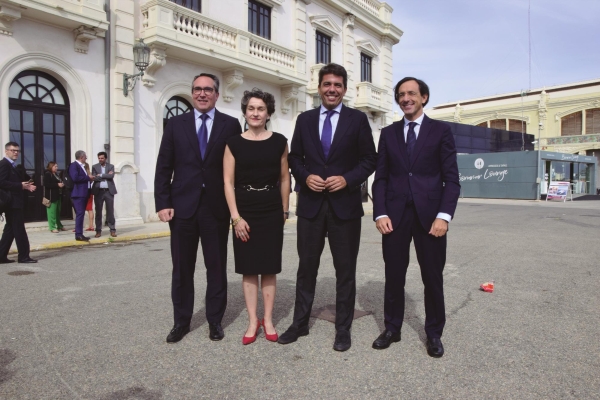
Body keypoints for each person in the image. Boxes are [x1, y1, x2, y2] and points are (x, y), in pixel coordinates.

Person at [279, 63, 377, 352]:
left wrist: (347, 179)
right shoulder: (305, 119)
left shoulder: (357, 120)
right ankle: (300, 324)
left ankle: (343, 329)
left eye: (337, 85)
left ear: (344, 89)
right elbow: (294, 158)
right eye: (327, 84)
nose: (332, 89)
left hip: (344, 208)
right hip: (310, 207)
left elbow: (369, 160)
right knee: (306, 268)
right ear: (319, 87)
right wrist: (305, 175)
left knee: (345, 270)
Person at [371, 77, 460, 358]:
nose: (405, 98)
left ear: (424, 97)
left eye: (411, 93)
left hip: (430, 218)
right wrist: (380, 212)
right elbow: (381, 177)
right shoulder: (388, 133)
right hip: (394, 217)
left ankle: (434, 333)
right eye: (401, 94)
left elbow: (452, 179)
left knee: (432, 277)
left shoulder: (441, 131)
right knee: (393, 275)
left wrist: (444, 216)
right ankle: (392, 329)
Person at [155, 73, 242, 344]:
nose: (202, 94)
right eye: (197, 90)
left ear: (217, 94)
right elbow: (163, 166)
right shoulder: (175, 124)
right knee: (182, 269)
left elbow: (237, 168)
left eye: (207, 90)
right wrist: (163, 202)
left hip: (216, 208)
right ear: (192, 93)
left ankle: (215, 320)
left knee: (216, 267)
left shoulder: (230, 125)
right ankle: (181, 321)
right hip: (181, 208)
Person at [223, 88, 290, 345]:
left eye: (261, 109)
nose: (255, 113)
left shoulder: (280, 141)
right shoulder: (233, 143)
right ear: (244, 111)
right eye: (251, 108)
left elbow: (285, 178)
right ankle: (253, 321)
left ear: (268, 112)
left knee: (270, 267)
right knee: (249, 268)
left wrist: (284, 210)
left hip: (271, 208)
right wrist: (236, 218)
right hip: (244, 209)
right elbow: (227, 182)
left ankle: (269, 319)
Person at [0, 142, 37, 263]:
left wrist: (25, 186)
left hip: (15, 202)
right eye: (13, 150)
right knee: (19, 229)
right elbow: (1, 182)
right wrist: (20, 185)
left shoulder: (13, 165)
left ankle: (1, 256)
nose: (16, 152)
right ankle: (23, 256)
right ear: (6, 151)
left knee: (10, 228)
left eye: (17, 151)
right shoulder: (4, 164)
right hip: (12, 203)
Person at [69, 150, 94, 241]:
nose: (86, 158)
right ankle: (78, 234)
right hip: (78, 194)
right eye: (85, 156)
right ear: (81, 157)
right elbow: (75, 178)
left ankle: (80, 233)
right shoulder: (74, 165)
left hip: (84, 193)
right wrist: (88, 177)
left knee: (81, 214)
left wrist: (90, 180)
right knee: (80, 214)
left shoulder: (82, 166)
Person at [92, 151, 117, 238]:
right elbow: (95, 178)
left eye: (102, 158)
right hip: (98, 192)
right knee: (98, 211)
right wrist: (106, 175)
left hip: (108, 191)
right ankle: (98, 230)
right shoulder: (95, 167)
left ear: (105, 158)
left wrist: (101, 175)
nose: (100, 160)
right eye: (99, 158)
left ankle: (112, 229)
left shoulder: (111, 166)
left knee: (110, 211)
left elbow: (111, 176)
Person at [43, 162, 66, 233]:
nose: (57, 168)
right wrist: (57, 185)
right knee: (51, 213)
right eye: (55, 166)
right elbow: (46, 184)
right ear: (51, 167)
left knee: (57, 212)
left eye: (57, 166)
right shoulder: (47, 174)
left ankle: (59, 225)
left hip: (58, 195)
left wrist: (61, 184)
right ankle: (52, 227)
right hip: (51, 196)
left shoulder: (56, 174)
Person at [83, 162, 94, 232]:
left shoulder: (84, 175)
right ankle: (91, 225)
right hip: (90, 192)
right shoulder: (90, 175)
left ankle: (90, 225)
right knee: (90, 209)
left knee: (87, 209)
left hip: (85, 192)